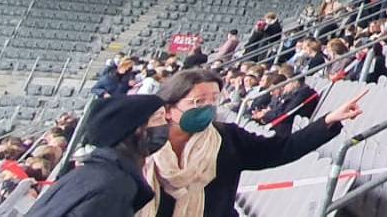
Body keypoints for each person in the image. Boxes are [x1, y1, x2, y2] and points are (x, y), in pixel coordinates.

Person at [143, 68, 362, 217]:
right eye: (198, 101)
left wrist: (328, 121)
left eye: (213, 100)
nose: (208, 108)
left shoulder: (228, 138)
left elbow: (282, 149)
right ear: (169, 109)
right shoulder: (139, 146)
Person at [24, 95, 167, 217]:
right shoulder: (114, 186)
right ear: (136, 130)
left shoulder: (92, 172)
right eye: (159, 118)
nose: (167, 122)